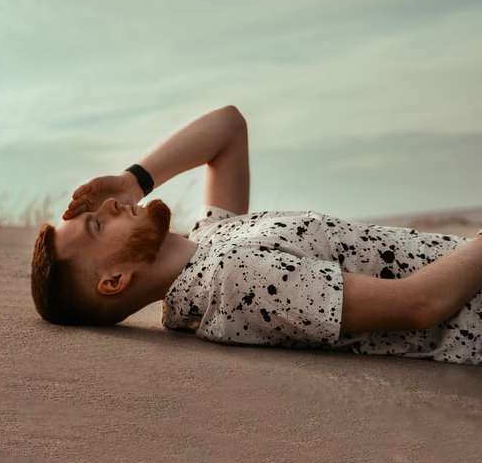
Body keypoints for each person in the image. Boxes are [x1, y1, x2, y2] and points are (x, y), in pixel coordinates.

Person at [31, 105, 482, 365]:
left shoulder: (210, 243)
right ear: (113, 281)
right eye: (97, 226)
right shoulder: (233, 279)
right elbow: (420, 305)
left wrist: (135, 181)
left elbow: (228, 127)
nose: (107, 207)